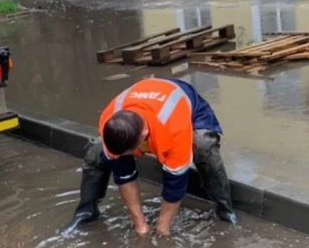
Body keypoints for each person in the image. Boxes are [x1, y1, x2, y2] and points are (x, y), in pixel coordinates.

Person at [67, 77, 238, 236]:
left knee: (203, 145)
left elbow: (175, 184)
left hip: (184, 100)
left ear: (144, 136)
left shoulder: (174, 130)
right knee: (96, 152)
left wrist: (162, 229)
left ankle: (225, 209)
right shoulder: (109, 122)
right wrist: (140, 225)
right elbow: (123, 175)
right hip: (147, 104)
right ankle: (87, 211)